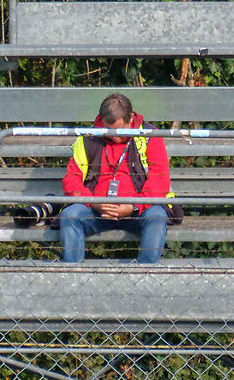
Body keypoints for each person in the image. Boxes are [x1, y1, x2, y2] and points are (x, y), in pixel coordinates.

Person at [58, 94, 174, 263]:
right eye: (109, 130)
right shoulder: (87, 138)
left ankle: (145, 278)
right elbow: (71, 181)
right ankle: (73, 277)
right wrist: (94, 203)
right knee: (70, 216)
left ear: (131, 118)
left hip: (138, 210)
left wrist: (133, 206)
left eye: (120, 130)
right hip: (96, 210)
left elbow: (159, 181)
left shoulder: (150, 135)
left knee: (157, 217)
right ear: (102, 121)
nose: (115, 136)